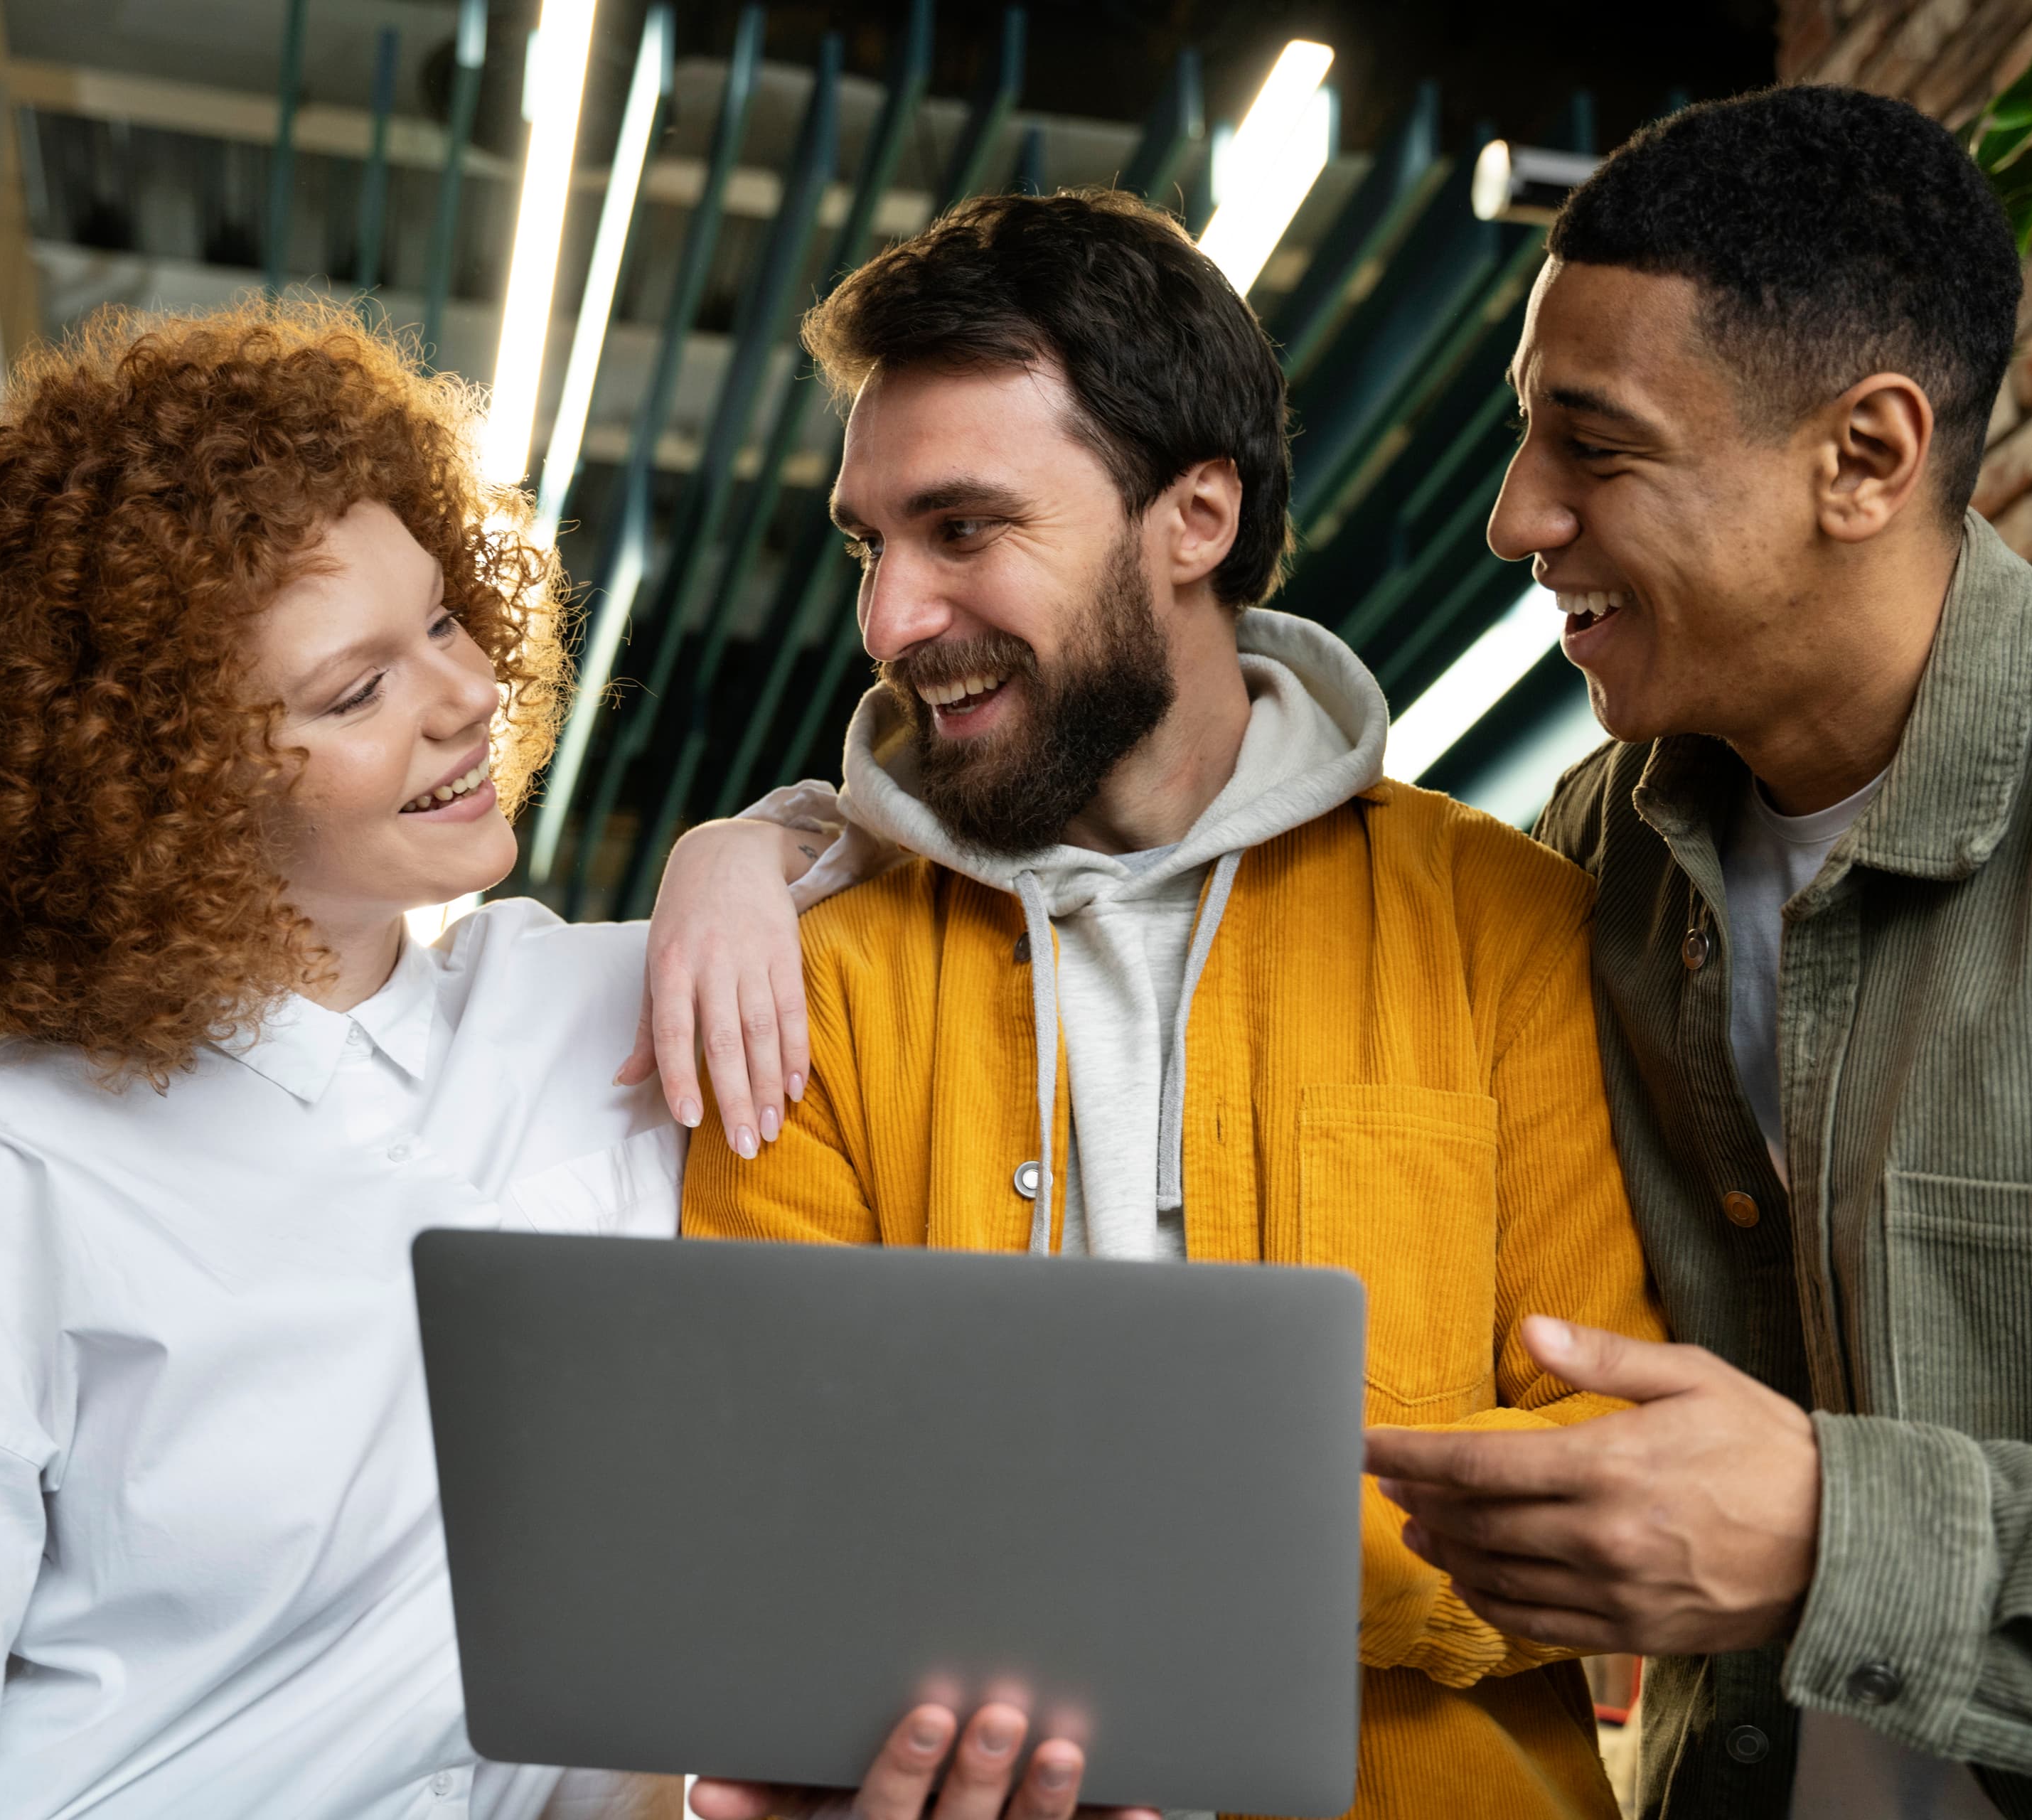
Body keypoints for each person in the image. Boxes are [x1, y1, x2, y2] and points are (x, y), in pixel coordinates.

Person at [0, 299, 1116, 1820]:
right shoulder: (3, 1165)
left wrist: (745, 840)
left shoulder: (607, 1004)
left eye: (443, 618)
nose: (464, 695)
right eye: (355, 687)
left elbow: (979, 866)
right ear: (156, 787)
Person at [1362, 85, 2032, 1816]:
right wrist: (792, 839)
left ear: (1865, 455)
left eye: (1597, 444)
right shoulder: (1591, 861)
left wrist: (1845, 1541)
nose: (1516, 516)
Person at [682, 189, 1666, 1820]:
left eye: (967, 527)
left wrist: (1169, 1542)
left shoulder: (1503, 924)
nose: (888, 619)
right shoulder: (819, 975)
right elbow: (770, 1515)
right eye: (873, 544)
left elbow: (1607, 1484)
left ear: (1193, 514)